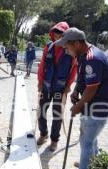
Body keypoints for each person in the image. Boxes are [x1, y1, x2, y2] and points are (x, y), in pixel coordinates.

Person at [54, 27, 108, 169]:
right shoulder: (84, 56)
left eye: (67, 47)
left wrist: (77, 107)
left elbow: (91, 90)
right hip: (92, 106)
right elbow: (83, 80)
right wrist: (76, 91)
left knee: (86, 141)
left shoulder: (92, 59)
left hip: (98, 107)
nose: (65, 51)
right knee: (90, 139)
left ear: (76, 43)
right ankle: (92, 163)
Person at [36, 22, 77, 151]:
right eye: (55, 33)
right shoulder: (48, 47)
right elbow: (42, 65)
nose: (57, 36)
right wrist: (40, 82)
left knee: (57, 115)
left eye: (60, 33)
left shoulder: (69, 48)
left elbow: (74, 68)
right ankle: (44, 134)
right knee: (41, 111)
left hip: (60, 88)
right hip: (47, 86)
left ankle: (54, 140)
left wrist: (69, 85)